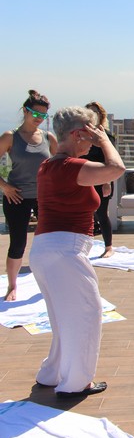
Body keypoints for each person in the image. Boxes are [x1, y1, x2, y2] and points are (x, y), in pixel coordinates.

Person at [29, 106, 125, 397]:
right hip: (65, 251)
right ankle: (75, 383)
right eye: (90, 132)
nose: (93, 138)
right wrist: (105, 141)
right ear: (77, 133)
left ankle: (52, 373)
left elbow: (89, 187)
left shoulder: (51, 165)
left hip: (46, 249)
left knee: (62, 317)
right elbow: (117, 168)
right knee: (86, 313)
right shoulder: (69, 166)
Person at [0, 90, 57, 301]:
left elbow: (62, 162)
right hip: (17, 197)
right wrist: (5, 187)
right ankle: (12, 286)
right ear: (25, 111)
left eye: (43, 116)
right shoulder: (9, 137)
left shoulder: (48, 137)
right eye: (35, 114)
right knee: (18, 243)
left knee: (49, 241)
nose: (39, 119)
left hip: (44, 197)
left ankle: (51, 281)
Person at [82, 101, 117, 258]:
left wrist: (107, 182)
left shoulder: (106, 135)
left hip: (102, 179)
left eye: (95, 112)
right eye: (89, 112)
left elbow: (110, 161)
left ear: (101, 115)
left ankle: (108, 247)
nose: (92, 115)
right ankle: (83, 246)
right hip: (84, 179)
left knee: (101, 213)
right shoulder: (81, 134)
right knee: (83, 213)